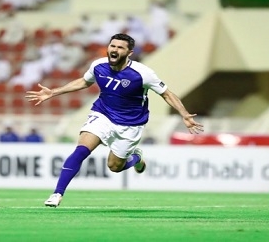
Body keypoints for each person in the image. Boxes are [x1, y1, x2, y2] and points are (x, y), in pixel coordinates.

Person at [25, 33, 204, 207]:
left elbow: (166, 93)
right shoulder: (98, 65)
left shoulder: (142, 73)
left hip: (130, 124)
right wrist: (53, 92)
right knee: (81, 150)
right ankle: (57, 194)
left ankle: (136, 158)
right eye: (112, 46)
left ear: (129, 53)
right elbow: (84, 82)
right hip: (102, 114)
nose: (115, 50)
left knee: (114, 166)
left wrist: (184, 114)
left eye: (120, 47)